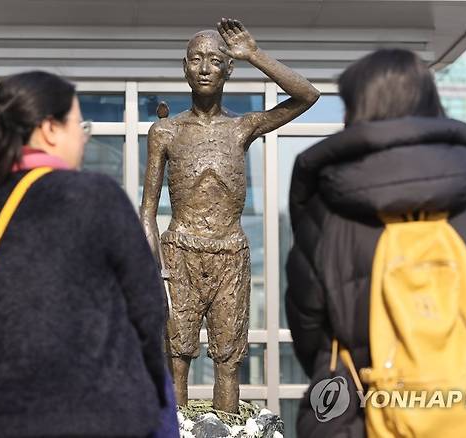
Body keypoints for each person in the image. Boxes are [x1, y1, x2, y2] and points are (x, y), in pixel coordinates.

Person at [285, 49, 466, 437]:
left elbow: (309, 326)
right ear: (430, 102)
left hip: (361, 413)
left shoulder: (328, 211)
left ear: (357, 112)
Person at [0, 71, 177, 437]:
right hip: (101, 417)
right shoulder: (96, 196)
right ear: (49, 129)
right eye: (79, 123)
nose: (83, 136)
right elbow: (149, 309)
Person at [139, 18, 319, 413]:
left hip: (229, 253)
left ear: (229, 69)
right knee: (177, 358)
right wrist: (156, 269)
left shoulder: (242, 127)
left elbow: (307, 95)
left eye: (215, 60)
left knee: (228, 359)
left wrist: (254, 53)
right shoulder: (165, 132)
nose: (205, 68)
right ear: (184, 68)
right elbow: (147, 210)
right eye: (197, 60)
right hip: (179, 254)